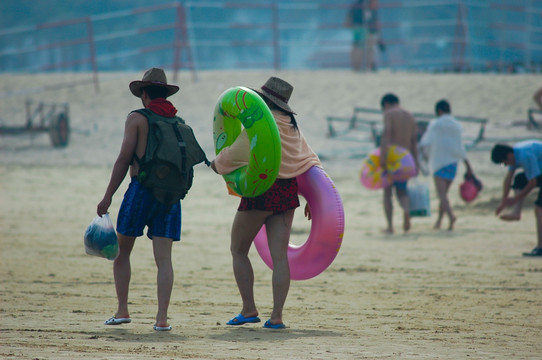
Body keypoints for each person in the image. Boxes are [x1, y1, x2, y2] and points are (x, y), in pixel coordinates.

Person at [210, 77, 321, 329]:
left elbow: (231, 156)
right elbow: (310, 160)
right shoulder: (292, 127)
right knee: (280, 256)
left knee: (238, 250)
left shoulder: (260, 125)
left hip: (260, 192)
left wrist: (215, 164)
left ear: (262, 101)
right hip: (286, 194)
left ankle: (248, 309)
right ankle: (277, 316)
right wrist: (313, 200)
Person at [96, 68, 184, 331]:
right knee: (164, 259)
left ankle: (122, 310)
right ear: (164, 93)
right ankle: (162, 319)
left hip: (141, 190)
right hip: (169, 194)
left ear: (144, 94)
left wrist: (108, 196)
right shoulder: (177, 122)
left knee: (122, 252)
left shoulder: (137, 118)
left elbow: (124, 159)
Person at [419, 100, 474, 231]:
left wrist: (422, 158)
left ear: (439, 111)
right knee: (444, 195)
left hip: (438, 163)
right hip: (453, 164)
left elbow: (425, 142)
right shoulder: (457, 125)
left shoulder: (436, 124)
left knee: (442, 195)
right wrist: (468, 165)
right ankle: (439, 222)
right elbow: (460, 147)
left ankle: (451, 216)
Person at [491, 140, 542, 257]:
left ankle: (541, 247)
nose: (507, 165)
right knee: (519, 179)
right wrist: (503, 201)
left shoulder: (525, 156)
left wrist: (515, 199)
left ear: (508, 156)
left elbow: (532, 183)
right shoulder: (515, 153)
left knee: (539, 209)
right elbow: (509, 178)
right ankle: (516, 212)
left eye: (504, 163)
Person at [379, 93, 419, 234]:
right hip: (407, 159)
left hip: (392, 157)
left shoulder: (389, 114)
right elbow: (414, 142)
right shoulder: (410, 116)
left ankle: (390, 226)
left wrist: (383, 158)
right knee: (402, 191)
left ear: (386, 104)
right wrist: (416, 164)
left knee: (387, 193)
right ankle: (406, 211)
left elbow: (387, 135)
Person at [345, 0, 368, 71]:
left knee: (354, 47)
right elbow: (366, 17)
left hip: (354, 27)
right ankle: (358, 66)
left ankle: (354, 66)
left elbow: (348, 15)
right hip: (362, 27)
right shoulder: (364, 5)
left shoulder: (353, 5)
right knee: (360, 48)